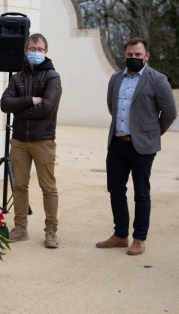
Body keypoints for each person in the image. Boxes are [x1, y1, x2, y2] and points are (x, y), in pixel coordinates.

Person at [96, 37, 177, 255]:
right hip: (116, 144)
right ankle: (120, 235)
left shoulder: (157, 80)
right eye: (130, 55)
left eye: (138, 55)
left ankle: (139, 238)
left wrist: (150, 134)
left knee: (141, 193)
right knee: (115, 190)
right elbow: (111, 106)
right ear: (124, 55)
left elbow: (170, 113)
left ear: (146, 56)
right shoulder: (115, 79)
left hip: (142, 148)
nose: (133, 58)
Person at [0, 33, 62, 248]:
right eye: (32, 48)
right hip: (19, 141)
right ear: (25, 51)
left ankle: (51, 231)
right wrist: (28, 100)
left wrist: (20, 110)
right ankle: (20, 228)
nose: (36, 52)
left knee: (48, 187)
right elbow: (5, 104)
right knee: (20, 186)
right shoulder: (17, 78)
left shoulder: (52, 77)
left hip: (43, 140)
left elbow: (47, 109)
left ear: (46, 51)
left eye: (40, 49)